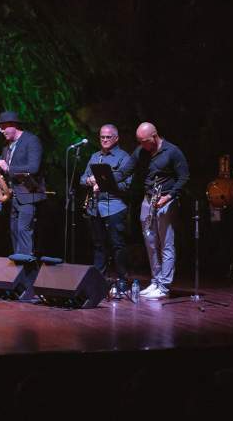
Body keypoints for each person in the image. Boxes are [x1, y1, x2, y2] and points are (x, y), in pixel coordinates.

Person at [133, 122, 190, 298]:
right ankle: (155, 281)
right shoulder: (142, 151)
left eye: (144, 141)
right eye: (140, 142)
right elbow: (127, 167)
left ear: (154, 137)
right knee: (150, 244)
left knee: (166, 244)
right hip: (148, 199)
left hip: (166, 201)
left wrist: (169, 196)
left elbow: (184, 177)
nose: (142, 145)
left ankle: (164, 286)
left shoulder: (172, 151)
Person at [80, 124, 135, 290]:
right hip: (95, 206)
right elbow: (82, 179)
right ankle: (98, 280)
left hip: (114, 206)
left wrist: (104, 183)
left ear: (116, 138)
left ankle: (122, 280)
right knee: (98, 244)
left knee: (117, 244)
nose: (104, 140)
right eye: (102, 137)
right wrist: (90, 180)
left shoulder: (123, 158)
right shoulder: (95, 156)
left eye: (108, 137)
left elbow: (127, 185)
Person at [0, 110, 46, 258]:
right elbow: (3, 172)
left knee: (23, 231)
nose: (2, 132)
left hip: (29, 194)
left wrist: (8, 168)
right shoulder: (6, 147)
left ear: (13, 125)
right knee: (14, 232)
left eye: (4, 128)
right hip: (13, 197)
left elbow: (34, 167)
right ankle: (17, 270)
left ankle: (27, 272)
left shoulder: (31, 140)